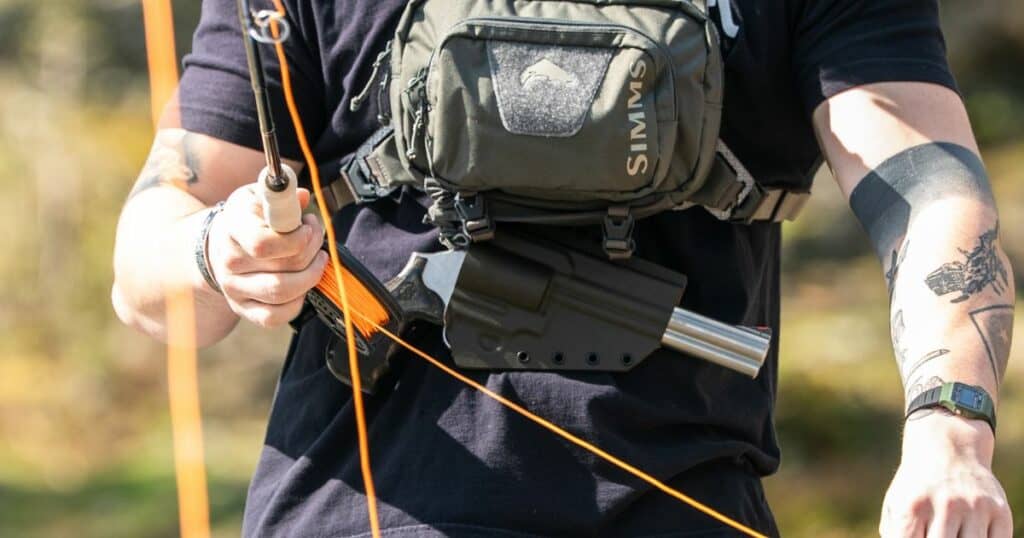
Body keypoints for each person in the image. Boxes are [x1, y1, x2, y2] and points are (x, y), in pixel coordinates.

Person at [112, 0, 1015, 536]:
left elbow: (930, 192)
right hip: (355, 511)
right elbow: (152, 266)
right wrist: (214, 250)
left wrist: (952, 427)